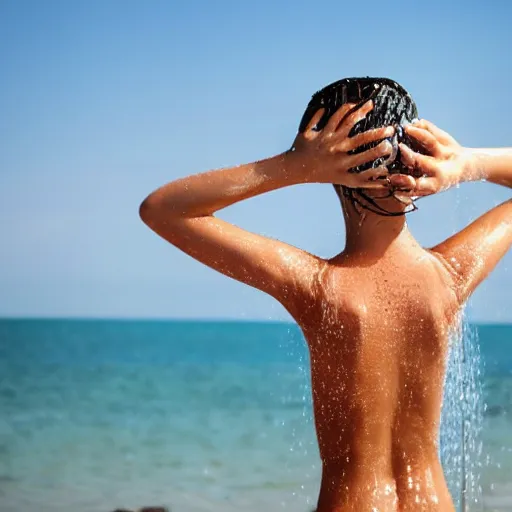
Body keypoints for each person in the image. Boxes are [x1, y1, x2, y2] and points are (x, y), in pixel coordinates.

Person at [139, 77, 512, 511]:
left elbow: (163, 210)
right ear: (417, 158)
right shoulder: (448, 277)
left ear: (332, 171)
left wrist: (292, 166)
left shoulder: (319, 288)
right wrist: (466, 164)